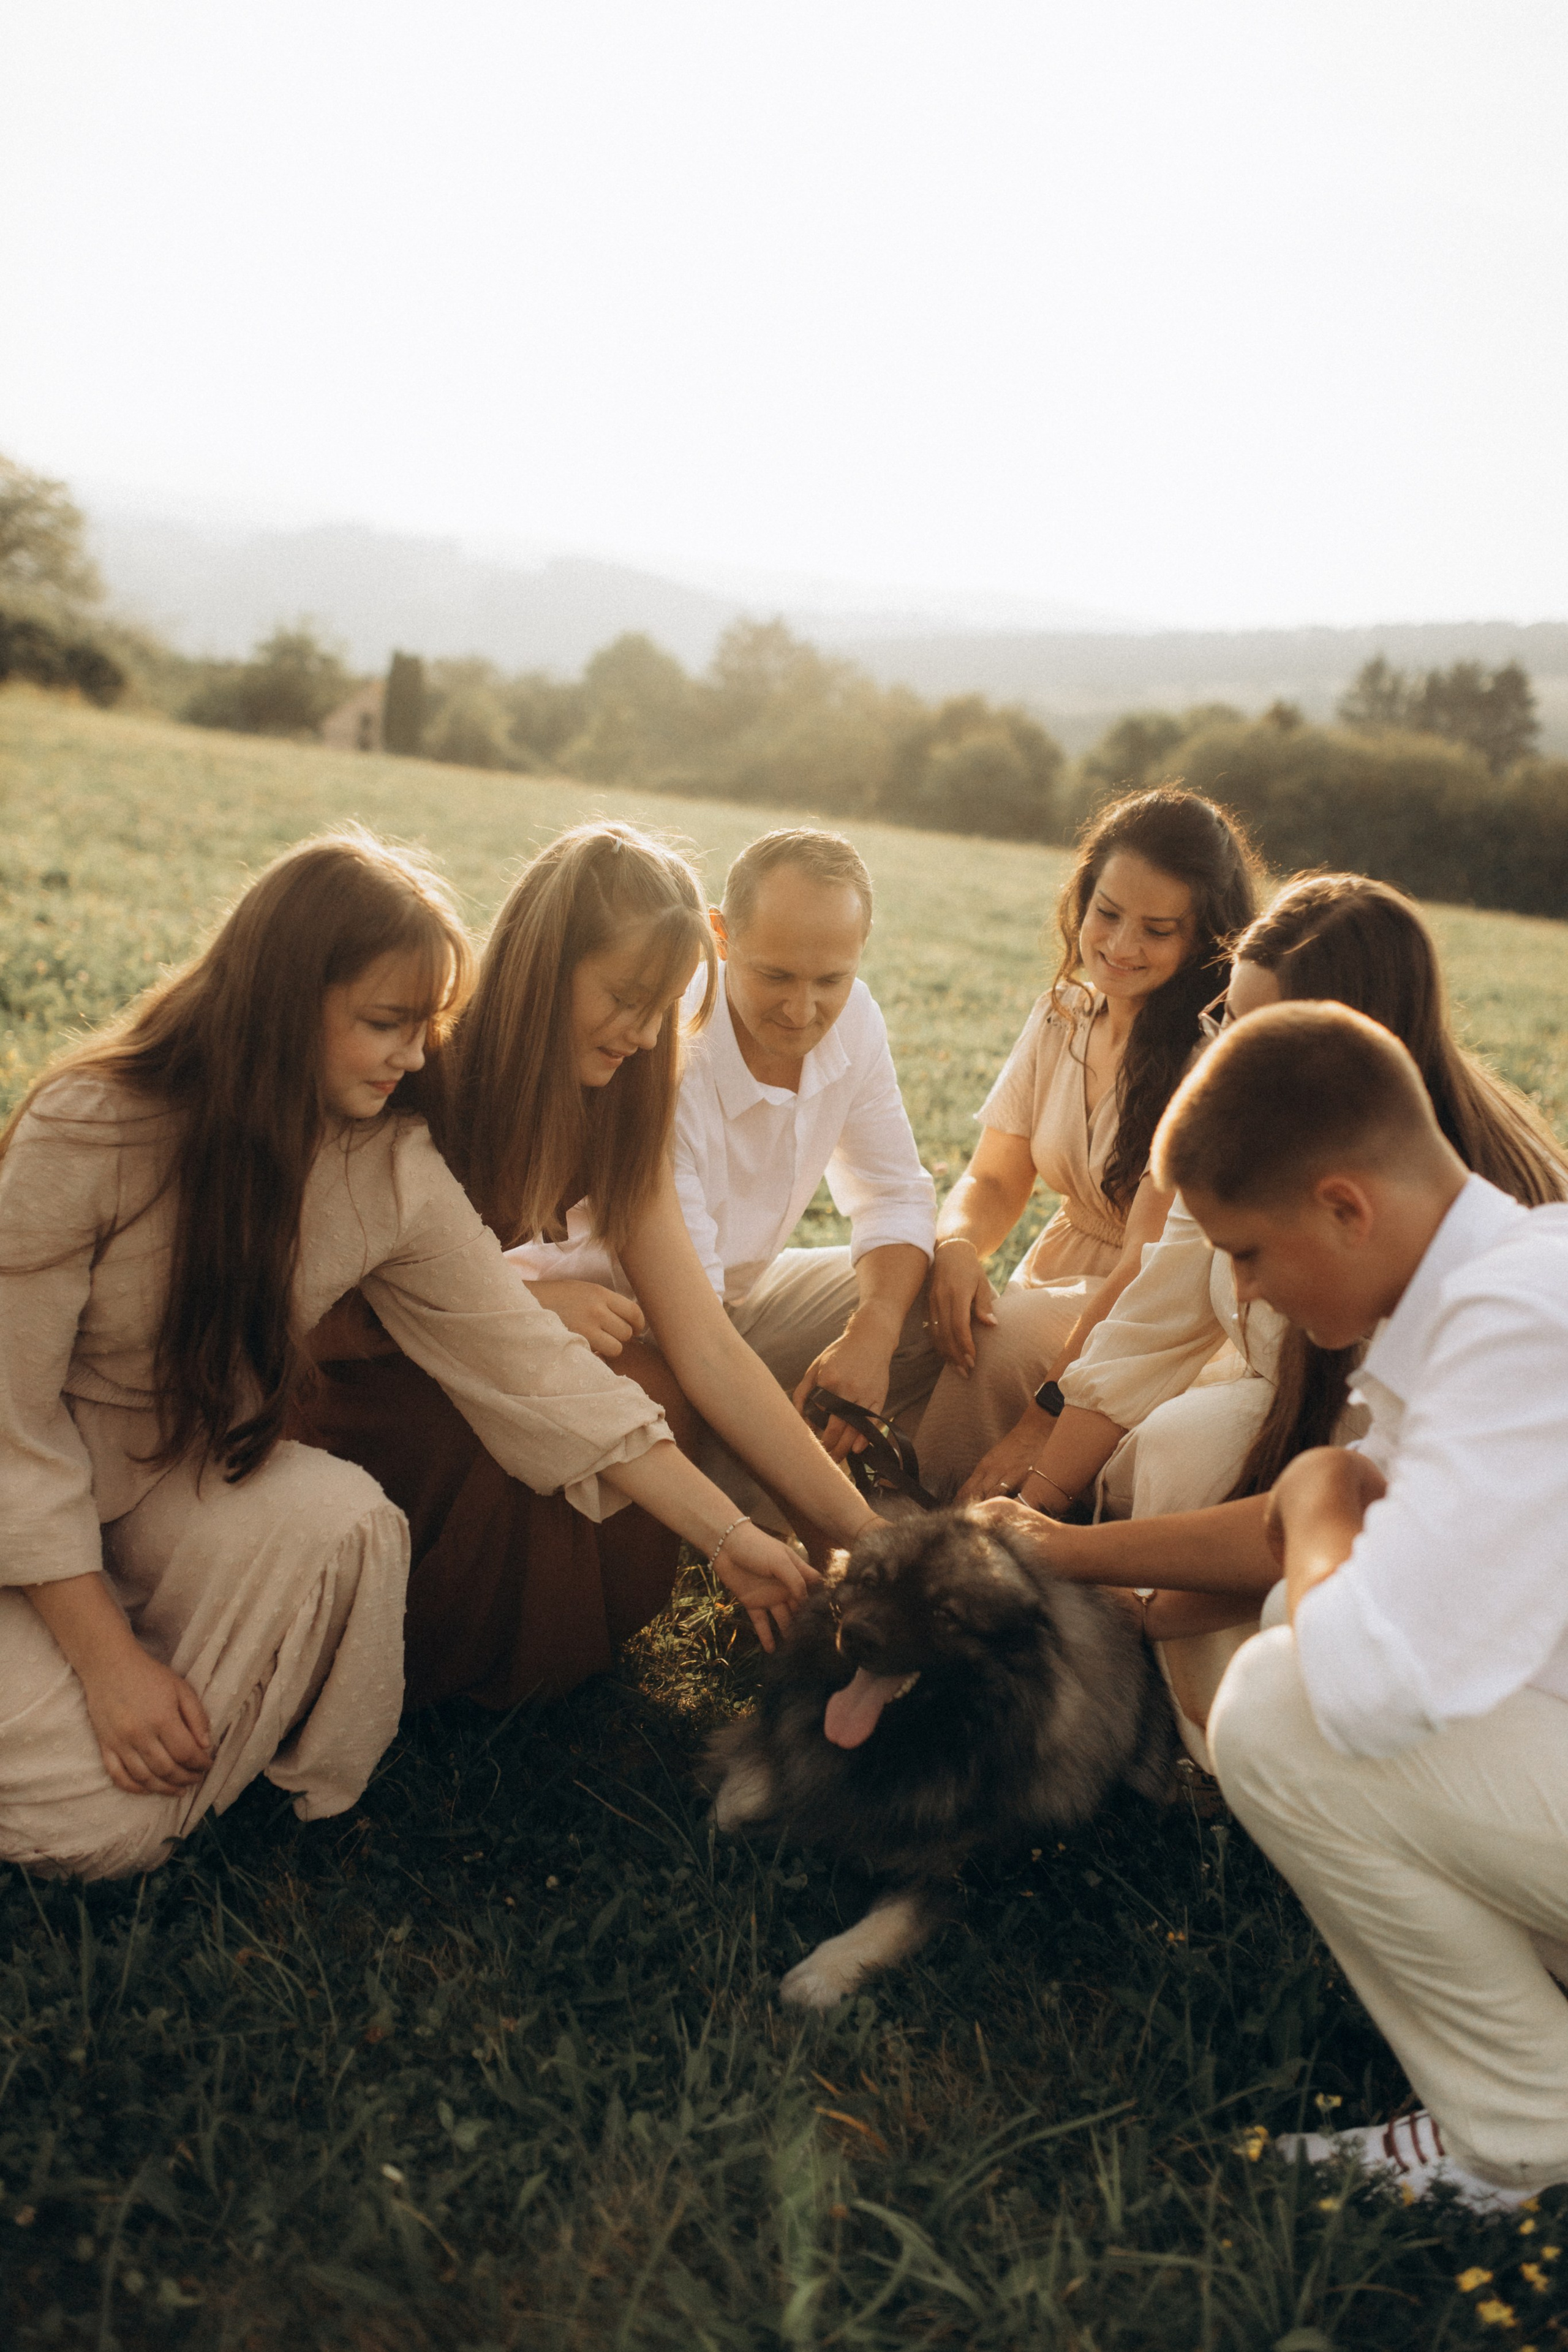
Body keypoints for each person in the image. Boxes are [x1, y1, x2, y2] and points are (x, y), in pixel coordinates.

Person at [0, 832, 813, 1880]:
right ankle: (122, 1708)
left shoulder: (389, 1163)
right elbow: (14, 1426)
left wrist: (733, 1534)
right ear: (284, 1002)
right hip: (36, 1498)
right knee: (102, 1829)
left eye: (427, 1025)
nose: (420, 1057)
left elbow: (532, 1369)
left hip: (175, 1497)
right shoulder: (92, 1124)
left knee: (340, 1522)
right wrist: (108, 1663)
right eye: (387, 1023)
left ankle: (190, 1739)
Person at [978, 875, 1567, 1757]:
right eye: (1226, 1017)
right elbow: (1155, 1315)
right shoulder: (1256, 1134)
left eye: (1256, 1032)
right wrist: (1041, 1506)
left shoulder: (1480, 1257)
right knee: (1196, 1435)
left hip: (1476, 1621)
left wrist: (1086, 1561)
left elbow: (1373, 1514)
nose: (1221, 1054)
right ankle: (1207, 1736)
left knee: (1213, 1457)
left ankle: (1256, 1746)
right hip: (1327, 1462)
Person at [298, 823, 878, 1702]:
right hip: (378, 1379)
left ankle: (550, 1648)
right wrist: (526, 1306)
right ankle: (424, 1649)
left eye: (666, 1008)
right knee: (506, 1413)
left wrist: (863, 1537)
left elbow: (709, 1345)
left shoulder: (623, 1103)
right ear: (546, 966)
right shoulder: (421, 1075)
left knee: (651, 1380)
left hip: (518, 1370)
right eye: (626, 998)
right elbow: (332, 1299)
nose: (644, 1036)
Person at [1171, 1002, 1568, 2209]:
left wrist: (1320, 1500)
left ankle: (1527, 2145)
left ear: (1344, 1205)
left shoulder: (1514, 1318)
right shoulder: (1513, 1275)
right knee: (1307, 1639)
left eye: (1245, 1251)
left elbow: (1367, 1688)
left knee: (1280, 1706)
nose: (1241, 1291)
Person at [916, 788, 1258, 1497]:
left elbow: (1145, 1262)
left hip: (1153, 1310)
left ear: (1204, 936)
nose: (1120, 946)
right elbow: (995, 1180)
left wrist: (1042, 1419)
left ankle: (931, 1533)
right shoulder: (1062, 1015)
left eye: (1157, 930)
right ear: (1083, 898)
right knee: (937, 1314)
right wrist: (955, 1244)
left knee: (1000, 1343)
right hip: (1059, 1270)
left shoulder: (1207, 1054)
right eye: (1107, 914)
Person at [669, 827, 940, 1516]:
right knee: (675, 1403)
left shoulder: (856, 1020)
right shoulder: (672, 1040)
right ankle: (767, 1491)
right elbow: (692, 1326)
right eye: (776, 976)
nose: (801, 1010)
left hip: (738, 1304)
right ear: (720, 936)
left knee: (924, 1297)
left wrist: (873, 1330)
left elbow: (894, 1194)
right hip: (647, 1331)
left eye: (831, 979)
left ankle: (795, 1476)